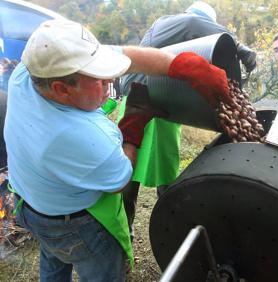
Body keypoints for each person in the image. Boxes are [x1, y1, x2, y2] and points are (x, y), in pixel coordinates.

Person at [4, 19, 231, 282]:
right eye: (99, 80)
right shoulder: (77, 136)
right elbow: (120, 179)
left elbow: (129, 56)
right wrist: (132, 128)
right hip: (72, 227)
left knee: (53, 259)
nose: (111, 79)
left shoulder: (26, 74)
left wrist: (181, 65)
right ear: (61, 89)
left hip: (29, 202)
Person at [118, 0, 257, 233]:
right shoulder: (172, 22)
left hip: (165, 104)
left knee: (165, 164)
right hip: (138, 99)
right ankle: (125, 227)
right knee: (129, 166)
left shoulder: (184, 40)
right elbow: (195, 22)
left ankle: (173, 220)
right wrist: (239, 46)